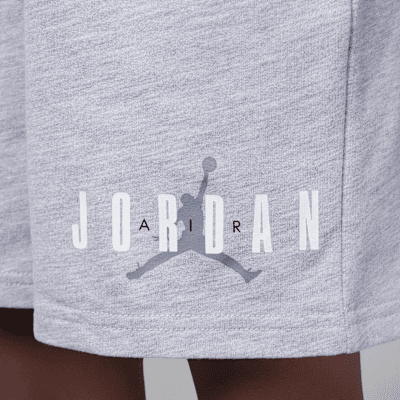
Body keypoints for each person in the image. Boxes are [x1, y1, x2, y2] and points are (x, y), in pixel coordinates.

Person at [1, 0, 399, 398]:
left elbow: (206, 189)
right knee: (26, 303)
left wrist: (205, 178)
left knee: (265, 332)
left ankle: (240, 275)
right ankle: (221, 274)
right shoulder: (185, 206)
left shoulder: (194, 199)